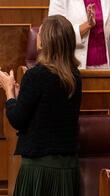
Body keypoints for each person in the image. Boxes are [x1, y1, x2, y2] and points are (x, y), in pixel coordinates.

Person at [0, 15, 82, 195]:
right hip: (68, 169)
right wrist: (22, 95)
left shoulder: (35, 75)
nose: (37, 34)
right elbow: (47, 109)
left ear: (46, 41)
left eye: (41, 31)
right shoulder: (74, 76)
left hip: (39, 170)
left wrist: (8, 91)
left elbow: (17, 119)